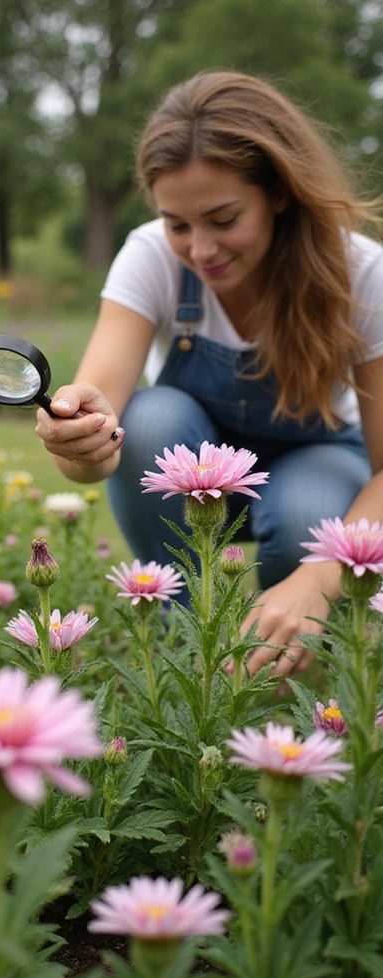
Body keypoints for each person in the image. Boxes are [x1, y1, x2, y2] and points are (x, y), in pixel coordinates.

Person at [35, 70, 383, 675]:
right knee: (146, 418)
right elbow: (94, 451)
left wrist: (324, 573)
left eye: (223, 220)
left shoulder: (361, 273)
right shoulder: (149, 256)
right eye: (178, 224)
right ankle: (179, 647)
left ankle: (279, 663)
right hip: (192, 457)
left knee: (312, 516)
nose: (200, 249)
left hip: (319, 456)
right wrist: (79, 440)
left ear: (278, 192)